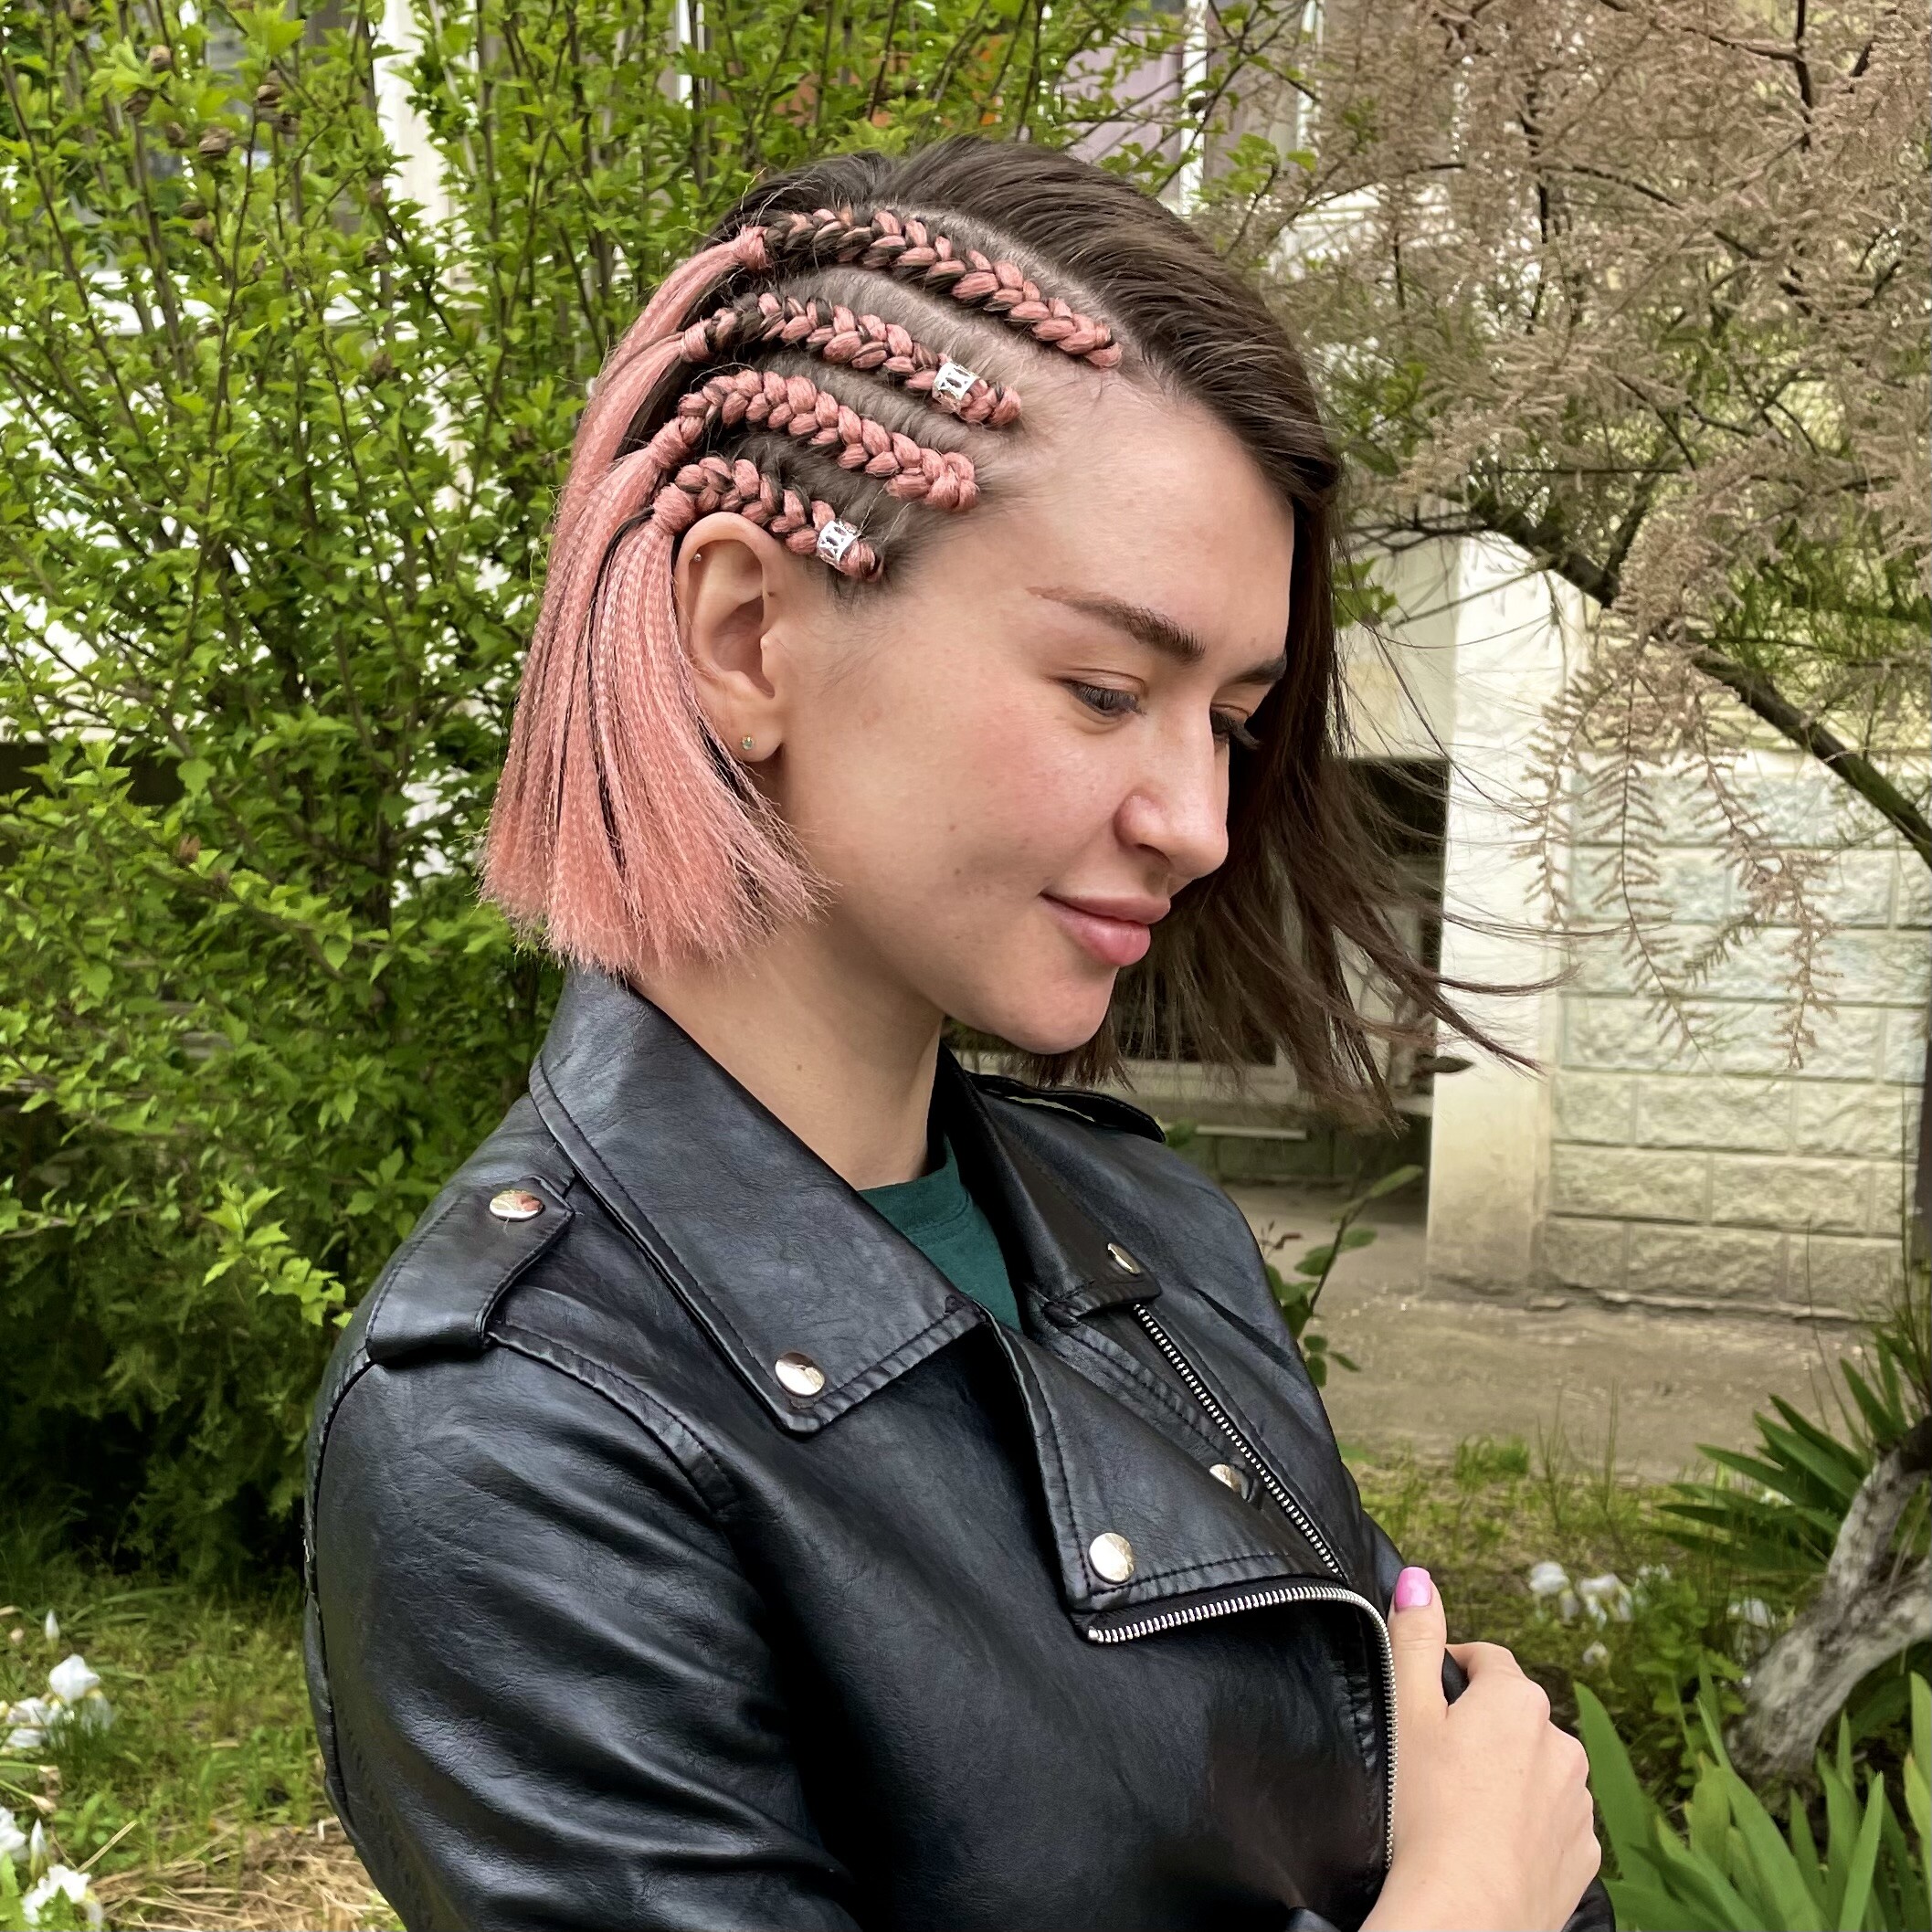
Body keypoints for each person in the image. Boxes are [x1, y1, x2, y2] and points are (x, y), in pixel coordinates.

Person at [302, 136, 1609, 1932]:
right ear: (745, 634)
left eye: (1229, 719)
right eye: (1105, 689)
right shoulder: (515, 1438)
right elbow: (1476, 1858)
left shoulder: (1148, 1231)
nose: (1199, 821)